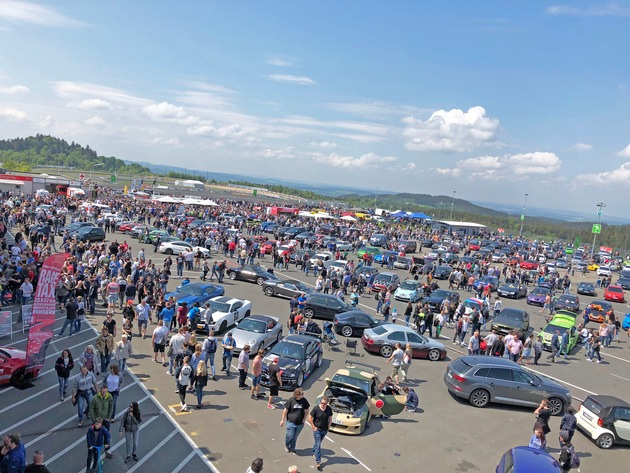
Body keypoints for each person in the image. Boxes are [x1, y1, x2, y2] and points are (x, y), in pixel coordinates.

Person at [281, 388, 310, 453]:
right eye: (301, 394)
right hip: (291, 422)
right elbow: (285, 410)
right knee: (290, 435)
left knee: (295, 436)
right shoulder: (291, 400)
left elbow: (307, 409)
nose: (303, 395)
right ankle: (287, 445)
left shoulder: (304, 400)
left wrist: (304, 419)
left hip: (300, 423)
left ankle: (292, 448)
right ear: (297, 395)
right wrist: (282, 420)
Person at [308, 395, 333, 471]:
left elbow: (330, 418)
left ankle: (314, 451)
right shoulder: (316, 409)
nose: (322, 404)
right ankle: (318, 462)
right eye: (321, 403)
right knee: (318, 444)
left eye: (324, 403)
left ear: (327, 404)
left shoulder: (328, 409)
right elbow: (310, 417)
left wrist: (328, 427)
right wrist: (313, 426)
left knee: (318, 443)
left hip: (324, 430)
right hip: (317, 430)